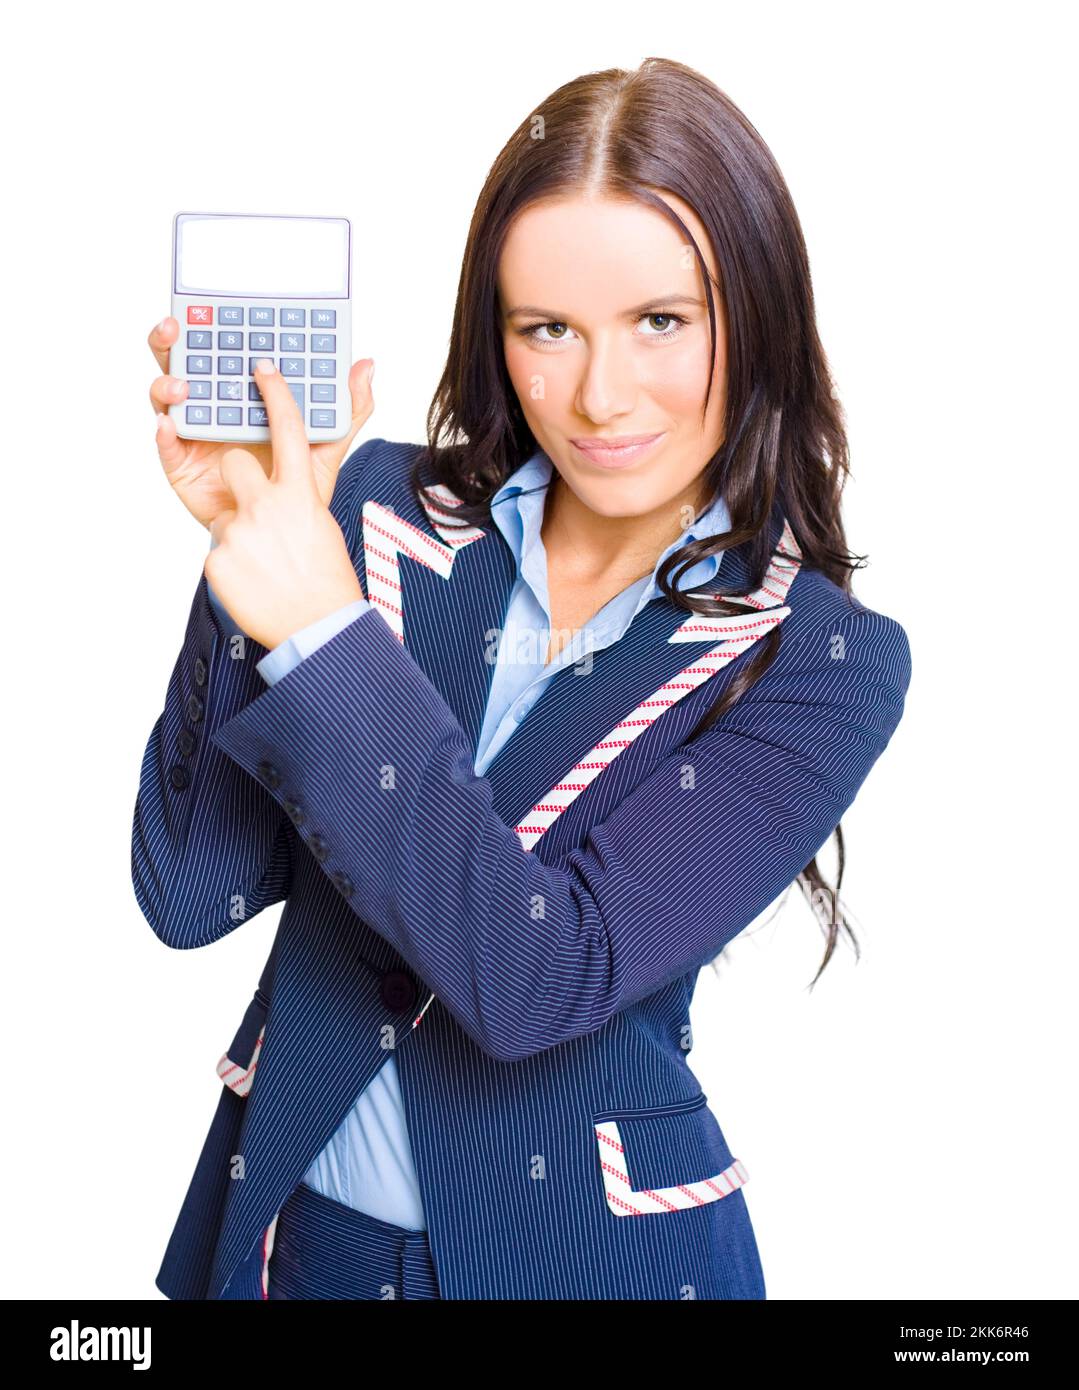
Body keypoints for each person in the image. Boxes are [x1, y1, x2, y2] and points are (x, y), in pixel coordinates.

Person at [132, 56, 912, 1300]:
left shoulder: (814, 658)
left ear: (752, 315)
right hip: (297, 1243)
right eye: (546, 328)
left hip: (583, 1264)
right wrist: (254, 548)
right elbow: (191, 891)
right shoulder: (377, 516)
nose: (600, 396)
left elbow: (540, 977)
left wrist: (325, 631)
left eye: (662, 321)